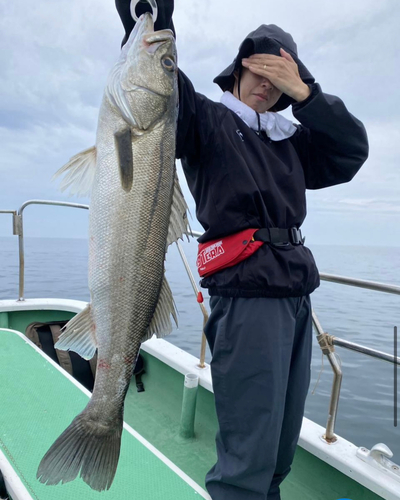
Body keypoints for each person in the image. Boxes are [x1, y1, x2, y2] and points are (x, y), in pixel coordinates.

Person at [116, 2, 369, 499]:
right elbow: (160, 87)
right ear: (236, 70)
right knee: (247, 458)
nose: (265, 85)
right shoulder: (207, 121)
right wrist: (150, 23)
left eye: (279, 79)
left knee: (278, 450)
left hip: (296, 294)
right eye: (258, 70)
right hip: (247, 296)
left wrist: (308, 95)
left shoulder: (291, 141)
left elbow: (351, 151)